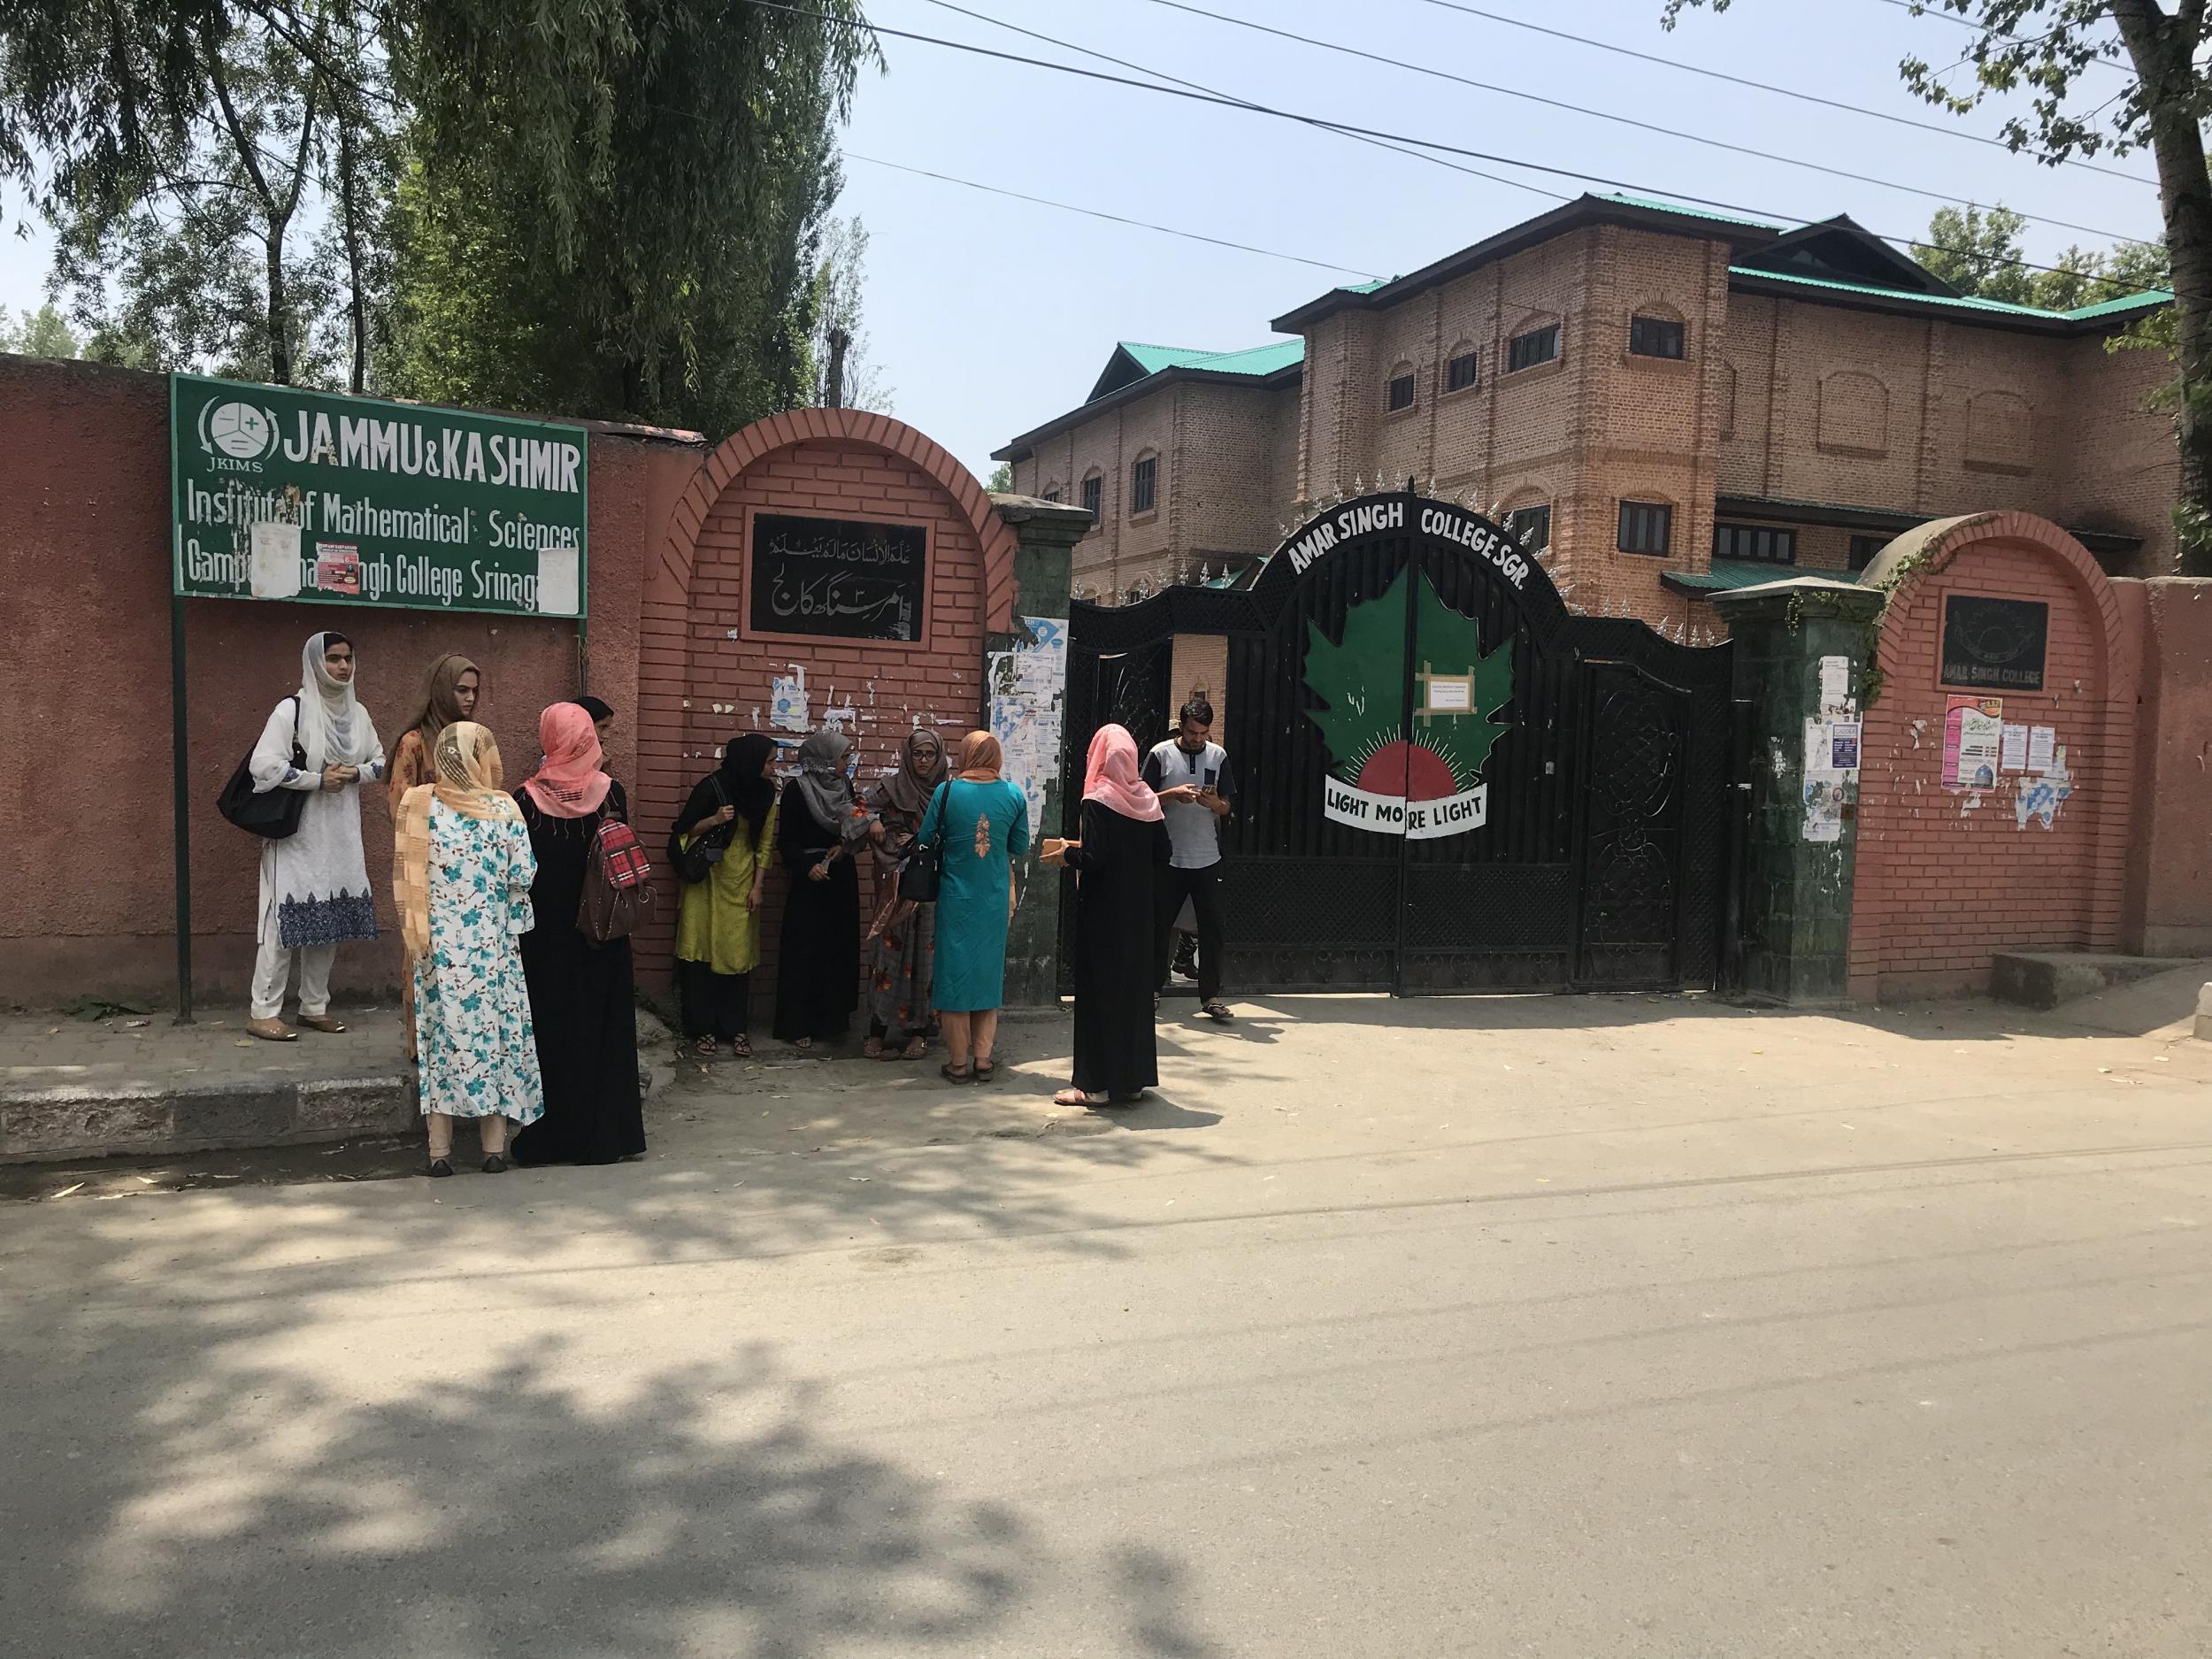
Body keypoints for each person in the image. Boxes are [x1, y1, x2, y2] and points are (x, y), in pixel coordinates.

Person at [392, 721, 542, 1176]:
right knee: (490, 1043)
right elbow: (524, 875)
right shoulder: (505, 810)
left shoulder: (419, 804)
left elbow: (406, 873)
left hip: (438, 948)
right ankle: (493, 1151)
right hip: (491, 952)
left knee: (443, 1043)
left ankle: (439, 1155)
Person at [510, 703, 645, 1167]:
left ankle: (551, 1138)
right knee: (603, 1033)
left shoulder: (523, 800)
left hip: (545, 941)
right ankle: (605, 1138)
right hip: (601, 934)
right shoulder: (612, 793)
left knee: (552, 1034)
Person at [246, 631, 387, 1042]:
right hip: (297, 835)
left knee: (329, 919)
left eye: (348, 658)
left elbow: (379, 761)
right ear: (314, 663)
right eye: (333, 659)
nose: (343, 667)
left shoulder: (357, 713)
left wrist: (354, 773)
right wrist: (314, 780)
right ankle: (263, 1011)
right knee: (282, 921)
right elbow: (263, 766)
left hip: (341, 833)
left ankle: (314, 1006)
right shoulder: (291, 711)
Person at [1042, 725, 1170, 1107]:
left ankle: (1093, 1086)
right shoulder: (1147, 799)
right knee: (1132, 993)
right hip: (1138, 912)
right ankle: (1132, 1081)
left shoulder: (1098, 798)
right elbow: (1162, 853)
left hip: (1103, 913)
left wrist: (1067, 855)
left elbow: (1095, 858)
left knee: (1099, 994)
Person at [914, 731, 1031, 1083]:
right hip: (994, 899)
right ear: (996, 757)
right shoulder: (1012, 794)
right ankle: (982, 1059)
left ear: (965, 756)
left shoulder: (946, 792)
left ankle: (958, 1064)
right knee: (986, 977)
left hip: (956, 898)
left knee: (954, 977)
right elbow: (1021, 845)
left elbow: (924, 839)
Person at [671, 733, 778, 1059]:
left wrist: (758, 886)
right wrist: (715, 819)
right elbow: (683, 830)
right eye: (770, 761)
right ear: (752, 761)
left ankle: (735, 1028)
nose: (774, 768)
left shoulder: (765, 795)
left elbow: (764, 844)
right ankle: (702, 1028)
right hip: (706, 881)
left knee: (737, 955)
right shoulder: (711, 787)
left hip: (742, 881)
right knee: (701, 952)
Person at [1142, 693, 1235, 1022]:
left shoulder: (1218, 755)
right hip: (1168, 857)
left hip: (1207, 856)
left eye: (1203, 733)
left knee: (1212, 928)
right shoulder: (1160, 755)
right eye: (1193, 732)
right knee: (1158, 926)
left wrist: (1215, 805)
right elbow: (1142, 800)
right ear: (1180, 726)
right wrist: (1173, 795)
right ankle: (1152, 989)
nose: (1198, 739)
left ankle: (1210, 996)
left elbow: (1227, 804)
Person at [774, 731, 870, 1050]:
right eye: (843, 757)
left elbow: (853, 826)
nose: (847, 763)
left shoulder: (844, 788)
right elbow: (785, 840)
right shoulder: (796, 791)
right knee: (805, 951)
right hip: (809, 881)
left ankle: (832, 1024)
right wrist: (806, 867)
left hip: (839, 876)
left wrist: (843, 848)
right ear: (825, 760)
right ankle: (798, 1024)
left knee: (837, 949)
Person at [862, 727, 948, 1060]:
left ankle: (919, 1033)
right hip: (895, 884)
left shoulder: (946, 791)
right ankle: (877, 1031)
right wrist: (872, 821)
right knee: (888, 955)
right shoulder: (891, 787)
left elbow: (955, 830)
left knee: (924, 958)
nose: (923, 761)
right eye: (917, 754)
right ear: (907, 756)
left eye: (929, 754)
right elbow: (856, 807)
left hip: (929, 885)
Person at [386, 654, 480, 816]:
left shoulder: (474, 738)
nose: (470, 698)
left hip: (472, 838)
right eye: (462, 690)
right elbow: (399, 806)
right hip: (425, 837)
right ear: (442, 691)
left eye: (474, 690)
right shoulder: (414, 743)